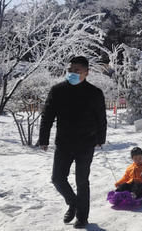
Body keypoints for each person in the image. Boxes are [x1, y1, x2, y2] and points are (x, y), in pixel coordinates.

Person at [39, 56, 107, 229]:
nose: (72, 73)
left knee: (82, 181)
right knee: (57, 179)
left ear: (86, 72)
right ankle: (73, 203)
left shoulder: (94, 93)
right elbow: (47, 116)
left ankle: (82, 217)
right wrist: (43, 138)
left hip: (86, 143)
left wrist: (101, 138)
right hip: (64, 143)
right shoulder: (57, 90)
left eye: (77, 70)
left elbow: (101, 118)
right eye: (70, 70)